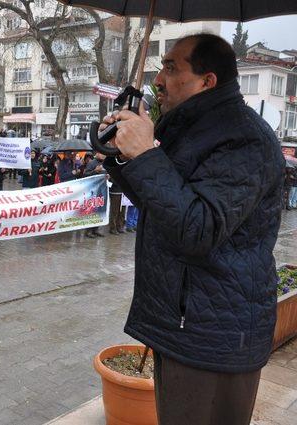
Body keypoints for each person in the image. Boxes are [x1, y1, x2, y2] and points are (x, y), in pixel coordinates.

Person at [101, 34, 284, 425]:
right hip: (184, 321)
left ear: (207, 81)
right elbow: (163, 201)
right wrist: (121, 155)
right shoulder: (189, 128)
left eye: (171, 67)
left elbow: (197, 229)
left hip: (213, 333)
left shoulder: (244, 138)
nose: (159, 79)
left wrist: (148, 154)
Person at [83, 152, 106, 238]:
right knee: (92, 210)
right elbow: (85, 175)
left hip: (102, 190)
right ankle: (88, 231)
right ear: (97, 153)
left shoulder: (104, 163)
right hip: (93, 191)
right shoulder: (91, 163)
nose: (104, 155)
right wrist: (95, 171)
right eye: (103, 154)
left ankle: (96, 229)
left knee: (99, 210)